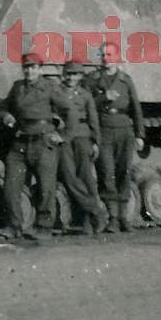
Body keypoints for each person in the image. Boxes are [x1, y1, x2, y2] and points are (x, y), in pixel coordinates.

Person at [0, 53, 65, 239]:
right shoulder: (18, 87)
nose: (29, 71)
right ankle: (14, 224)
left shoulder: (49, 87)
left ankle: (44, 227)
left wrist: (62, 135)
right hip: (20, 141)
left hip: (43, 141)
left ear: (40, 69)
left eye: (34, 67)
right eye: (26, 67)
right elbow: (3, 107)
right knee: (11, 186)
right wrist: (5, 116)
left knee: (46, 187)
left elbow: (70, 110)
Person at [88, 42, 145, 232]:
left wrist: (139, 134)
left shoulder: (125, 80)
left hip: (124, 129)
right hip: (104, 129)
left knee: (124, 172)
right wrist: (104, 97)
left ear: (116, 56)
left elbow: (136, 108)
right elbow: (87, 104)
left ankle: (123, 217)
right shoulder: (93, 79)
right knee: (106, 173)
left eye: (110, 54)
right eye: (103, 54)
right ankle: (112, 217)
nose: (106, 58)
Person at [56, 62, 109, 234]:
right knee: (69, 176)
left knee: (86, 177)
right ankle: (96, 210)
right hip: (64, 136)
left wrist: (96, 142)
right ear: (64, 75)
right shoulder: (57, 92)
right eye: (68, 74)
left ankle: (88, 220)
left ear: (80, 77)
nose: (71, 78)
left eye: (75, 75)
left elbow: (93, 119)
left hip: (82, 136)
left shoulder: (85, 95)